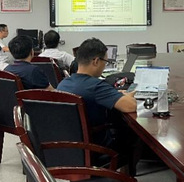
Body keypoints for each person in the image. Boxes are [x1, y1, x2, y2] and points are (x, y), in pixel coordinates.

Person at [57, 38, 139, 172]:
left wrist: (115, 94)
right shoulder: (96, 86)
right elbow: (130, 106)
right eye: (105, 62)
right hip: (95, 149)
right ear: (96, 61)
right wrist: (127, 96)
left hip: (68, 148)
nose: (105, 66)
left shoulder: (63, 84)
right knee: (133, 133)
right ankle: (126, 179)